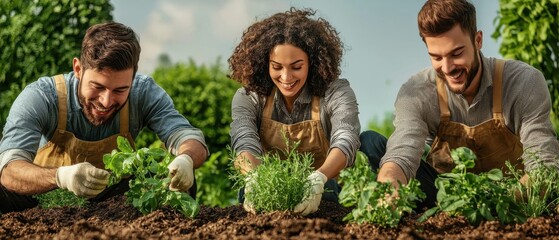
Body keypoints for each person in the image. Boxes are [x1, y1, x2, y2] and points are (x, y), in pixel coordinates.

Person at [360, 0, 559, 210]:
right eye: (436, 57)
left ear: (478, 40)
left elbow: (544, 164)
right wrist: (390, 188)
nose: (447, 68)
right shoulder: (417, 91)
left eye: (456, 54)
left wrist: (492, 205)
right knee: (372, 143)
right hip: (449, 196)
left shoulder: (523, 81)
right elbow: (402, 152)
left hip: (512, 196)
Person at [0, 22, 208, 213]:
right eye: (97, 87)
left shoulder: (143, 92)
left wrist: (186, 159)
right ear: (78, 69)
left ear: (133, 78)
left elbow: (187, 136)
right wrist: (60, 177)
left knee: (173, 178)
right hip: (41, 201)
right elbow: (10, 169)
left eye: (120, 90)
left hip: (112, 202)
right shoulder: (42, 96)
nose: (106, 101)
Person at [228, 8, 360, 216]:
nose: (286, 77)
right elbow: (244, 141)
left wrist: (319, 178)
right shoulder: (249, 97)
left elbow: (346, 137)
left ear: (312, 63)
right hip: (270, 192)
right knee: (246, 192)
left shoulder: (335, 92)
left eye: (296, 67)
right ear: (265, 64)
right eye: (277, 67)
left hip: (325, 193)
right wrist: (254, 178)